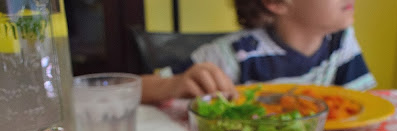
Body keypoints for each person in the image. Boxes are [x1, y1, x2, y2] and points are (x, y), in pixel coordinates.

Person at [141, 0, 376, 104]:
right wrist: (173, 84)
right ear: (276, 2)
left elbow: (362, 106)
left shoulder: (342, 41)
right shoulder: (233, 55)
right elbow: (135, 88)